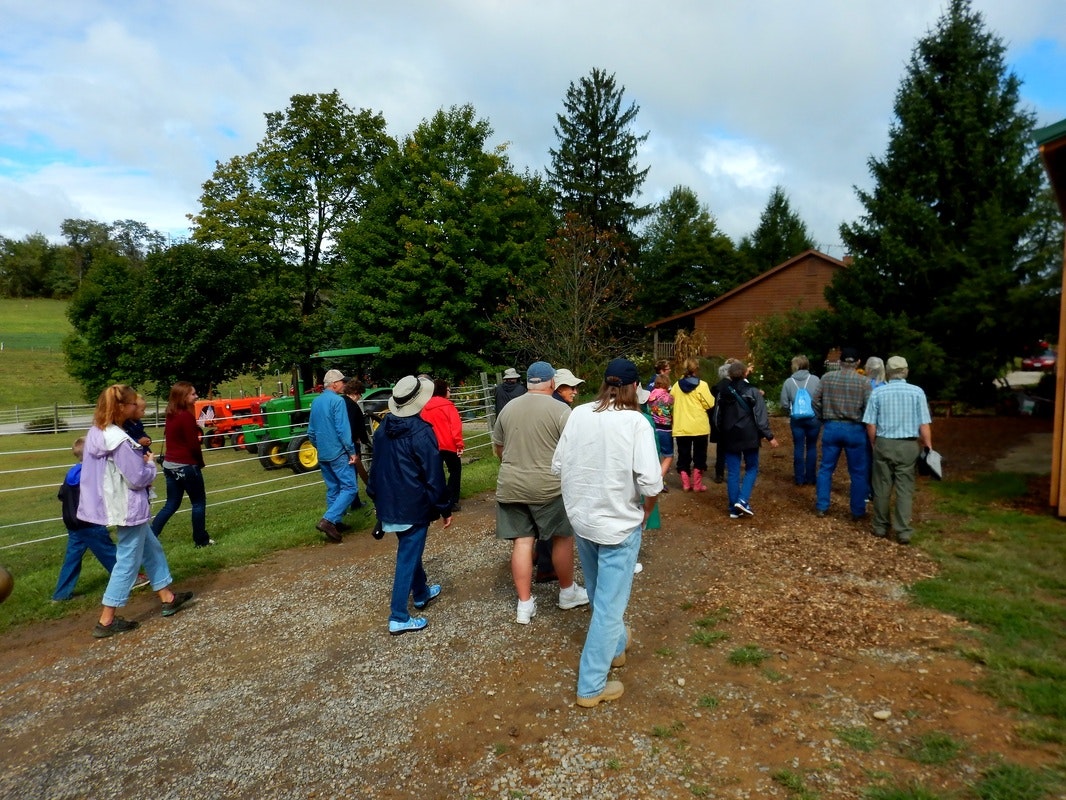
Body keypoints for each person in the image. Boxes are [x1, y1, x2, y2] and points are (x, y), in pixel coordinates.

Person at [551, 358, 662, 707]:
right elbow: (650, 481)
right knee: (610, 607)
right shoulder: (636, 423)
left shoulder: (579, 413)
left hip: (583, 520)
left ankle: (615, 649)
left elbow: (558, 465)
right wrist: (647, 509)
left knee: (601, 593)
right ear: (633, 389)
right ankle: (591, 685)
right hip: (617, 525)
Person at [79, 384, 193, 638]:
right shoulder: (119, 439)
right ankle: (106, 619)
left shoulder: (98, 433)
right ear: (121, 407)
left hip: (116, 502)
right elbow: (137, 478)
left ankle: (167, 596)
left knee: (151, 547)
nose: (135, 408)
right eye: (132, 404)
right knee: (128, 560)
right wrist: (150, 465)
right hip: (128, 505)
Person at [493, 361, 588, 624]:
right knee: (561, 537)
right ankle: (567, 593)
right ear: (553, 382)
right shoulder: (561, 411)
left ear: (528, 381)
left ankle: (525, 604)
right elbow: (574, 452)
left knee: (522, 542)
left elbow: (499, 449)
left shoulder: (508, 408)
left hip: (511, 484)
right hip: (548, 487)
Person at [367, 375, 452, 634]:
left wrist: (375, 496)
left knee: (409, 549)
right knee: (407, 556)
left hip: (390, 500)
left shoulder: (382, 430)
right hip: (412, 502)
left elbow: (376, 468)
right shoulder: (421, 431)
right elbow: (433, 474)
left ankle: (421, 592)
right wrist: (444, 507)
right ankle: (398, 616)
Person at [863, 356, 933, 545]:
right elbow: (924, 423)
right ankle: (903, 531)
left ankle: (880, 526)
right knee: (904, 488)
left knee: (881, 487)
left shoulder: (878, 393)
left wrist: (874, 443)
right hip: (908, 444)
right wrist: (928, 446)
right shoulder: (917, 392)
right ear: (906, 371)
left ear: (888, 371)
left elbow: (870, 423)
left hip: (884, 442)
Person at [534, 367, 587, 583]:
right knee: (556, 525)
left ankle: (540, 558)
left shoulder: (540, 405)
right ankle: (548, 567)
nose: (575, 391)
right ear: (558, 386)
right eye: (571, 387)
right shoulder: (561, 410)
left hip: (533, 471)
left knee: (539, 524)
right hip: (552, 474)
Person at [52, 436, 117, 602]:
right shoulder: (91, 474)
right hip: (89, 522)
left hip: (72, 522)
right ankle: (128, 580)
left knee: (72, 558)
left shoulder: (71, 473)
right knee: (108, 551)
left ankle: (61, 594)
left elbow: (61, 495)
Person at [151, 381, 214, 548]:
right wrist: (199, 463)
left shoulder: (171, 414)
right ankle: (201, 540)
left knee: (171, 503)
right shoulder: (185, 416)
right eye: (193, 394)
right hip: (186, 465)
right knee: (198, 503)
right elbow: (193, 444)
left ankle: (151, 535)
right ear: (184, 396)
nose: (196, 396)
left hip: (170, 465)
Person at [812, 347, 872, 521]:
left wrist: (823, 416)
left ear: (840, 361)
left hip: (832, 427)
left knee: (825, 468)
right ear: (858, 362)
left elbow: (815, 400)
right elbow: (869, 407)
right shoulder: (864, 382)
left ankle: (822, 506)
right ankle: (857, 510)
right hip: (855, 428)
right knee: (858, 472)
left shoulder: (827, 378)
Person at [716, 360, 779, 518]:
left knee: (733, 472)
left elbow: (717, 417)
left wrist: (721, 431)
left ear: (730, 374)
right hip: (749, 435)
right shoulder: (753, 391)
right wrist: (769, 436)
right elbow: (761, 416)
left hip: (729, 435)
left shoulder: (723, 391)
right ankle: (742, 500)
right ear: (745, 373)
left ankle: (733, 508)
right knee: (751, 468)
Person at [307, 369, 358, 543]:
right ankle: (328, 520)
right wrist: (351, 451)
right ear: (335, 384)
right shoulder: (338, 401)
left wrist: (319, 446)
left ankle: (336, 522)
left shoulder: (316, 402)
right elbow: (343, 429)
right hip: (338, 452)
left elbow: (311, 432)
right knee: (350, 488)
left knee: (333, 488)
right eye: (343, 382)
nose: (345, 385)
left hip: (323, 453)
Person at [669, 358, 715, 491]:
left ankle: (685, 483)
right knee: (700, 455)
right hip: (699, 426)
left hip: (681, 426)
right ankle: (697, 484)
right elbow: (710, 404)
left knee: (683, 455)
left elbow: (671, 401)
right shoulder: (702, 385)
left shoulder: (677, 386)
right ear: (696, 369)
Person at [421, 378, 465, 511]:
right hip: (449, 445)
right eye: (448, 389)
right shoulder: (449, 406)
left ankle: (436, 500)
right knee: (455, 471)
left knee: (435, 473)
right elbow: (455, 427)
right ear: (443, 390)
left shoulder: (425, 408)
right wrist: (459, 444)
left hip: (432, 445)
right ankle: (452, 501)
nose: (450, 391)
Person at [780, 355, 822, 486]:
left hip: (796, 419)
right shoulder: (815, 379)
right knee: (811, 447)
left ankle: (799, 478)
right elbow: (821, 399)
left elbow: (784, 403)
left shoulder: (788, 382)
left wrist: (791, 411)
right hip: (813, 418)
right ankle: (811, 478)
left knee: (798, 447)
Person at [342, 377, 372, 512]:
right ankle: (355, 503)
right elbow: (358, 427)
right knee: (353, 473)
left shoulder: (339, 402)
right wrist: (366, 441)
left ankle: (352, 503)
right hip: (352, 444)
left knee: (344, 475)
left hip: (340, 444)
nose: (359, 398)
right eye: (359, 394)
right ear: (354, 392)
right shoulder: (354, 407)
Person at [710, 359, 736, 483]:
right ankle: (732, 473)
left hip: (719, 422)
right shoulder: (735, 387)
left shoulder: (715, 387)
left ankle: (719, 473)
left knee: (720, 449)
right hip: (733, 421)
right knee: (733, 449)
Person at [647, 373, 674, 492]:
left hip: (653, 428)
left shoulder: (650, 396)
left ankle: (655, 478)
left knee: (655, 454)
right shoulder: (669, 398)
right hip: (665, 429)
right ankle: (659, 481)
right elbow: (673, 413)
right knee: (668, 455)